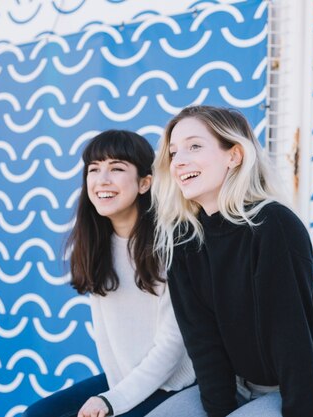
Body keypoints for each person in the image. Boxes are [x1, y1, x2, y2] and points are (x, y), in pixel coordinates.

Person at [146, 106, 313, 417]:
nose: (179, 161)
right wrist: (220, 411)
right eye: (173, 152)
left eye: (195, 146)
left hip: (308, 391)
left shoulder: (273, 225)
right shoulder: (183, 239)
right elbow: (203, 343)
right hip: (238, 390)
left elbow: (290, 338)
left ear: (234, 155)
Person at [24, 130, 195, 417]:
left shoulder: (169, 244)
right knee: (36, 415)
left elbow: (172, 346)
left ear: (144, 183)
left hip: (173, 385)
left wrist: (112, 401)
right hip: (124, 380)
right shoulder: (96, 243)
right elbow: (107, 338)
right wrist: (113, 393)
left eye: (116, 168)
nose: (102, 179)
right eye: (94, 169)